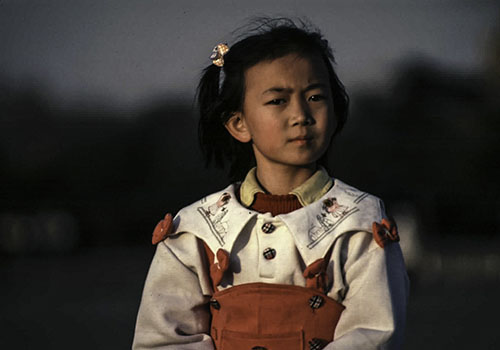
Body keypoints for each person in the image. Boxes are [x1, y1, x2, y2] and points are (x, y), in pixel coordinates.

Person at [132, 17, 409, 350]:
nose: (300, 115)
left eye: (316, 97)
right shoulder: (194, 230)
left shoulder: (361, 224)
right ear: (239, 124)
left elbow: (373, 334)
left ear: (336, 110)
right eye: (278, 100)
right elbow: (163, 339)